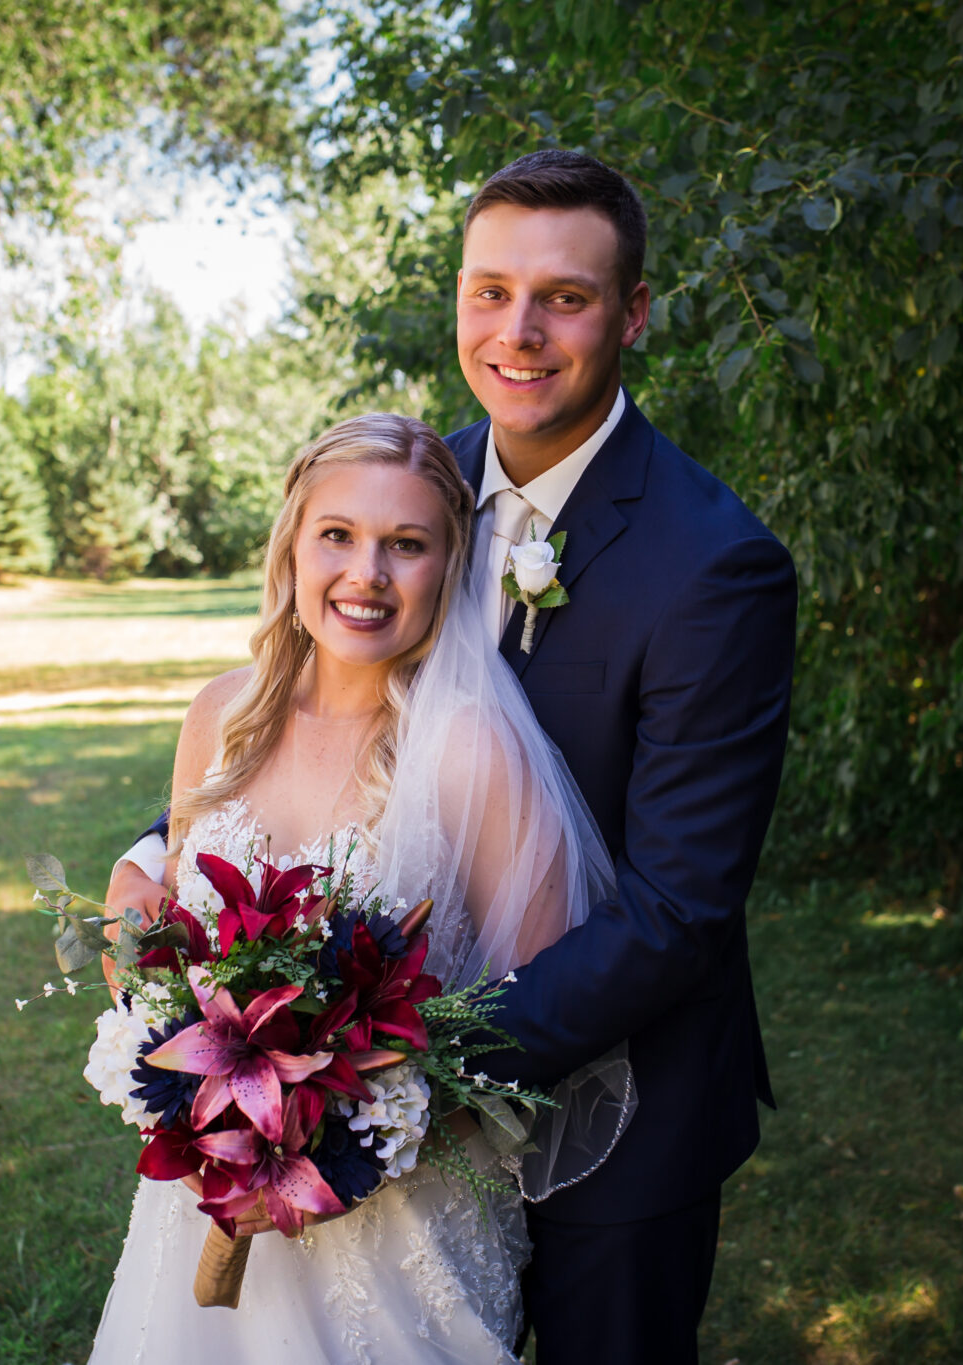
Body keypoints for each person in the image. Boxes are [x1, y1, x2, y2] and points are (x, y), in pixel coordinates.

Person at [103, 149, 796, 1364]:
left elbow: (676, 911)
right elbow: (306, 717)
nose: (516, 331)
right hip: (349, 1104)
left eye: (564, 297)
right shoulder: (413, 491)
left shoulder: (713, 566)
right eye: (488, 291)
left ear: (631, 312)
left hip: (616, 1116)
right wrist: (157, 856)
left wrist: (362, 1079)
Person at [87, 410, 624, 1363]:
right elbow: (171, 923)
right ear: (293, 545)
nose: (366, 574)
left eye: (406, 545)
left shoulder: (470, 751)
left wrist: (348, 1137)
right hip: (198, 1208)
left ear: (448, 568)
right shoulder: (220, 715)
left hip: (394, 1238)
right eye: (338, 534)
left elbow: (535, 1029)